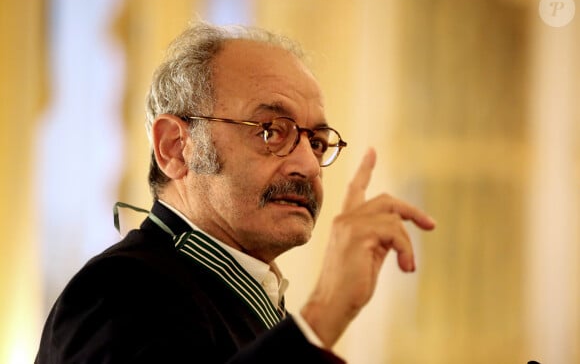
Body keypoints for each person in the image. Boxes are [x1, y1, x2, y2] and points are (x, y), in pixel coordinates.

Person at [36, 21, 436, 363]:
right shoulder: (118, 293)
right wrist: (325, 312)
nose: (309, 166)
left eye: (315, 141)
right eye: (271, 131)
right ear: (175, 147)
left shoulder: (241, 296)